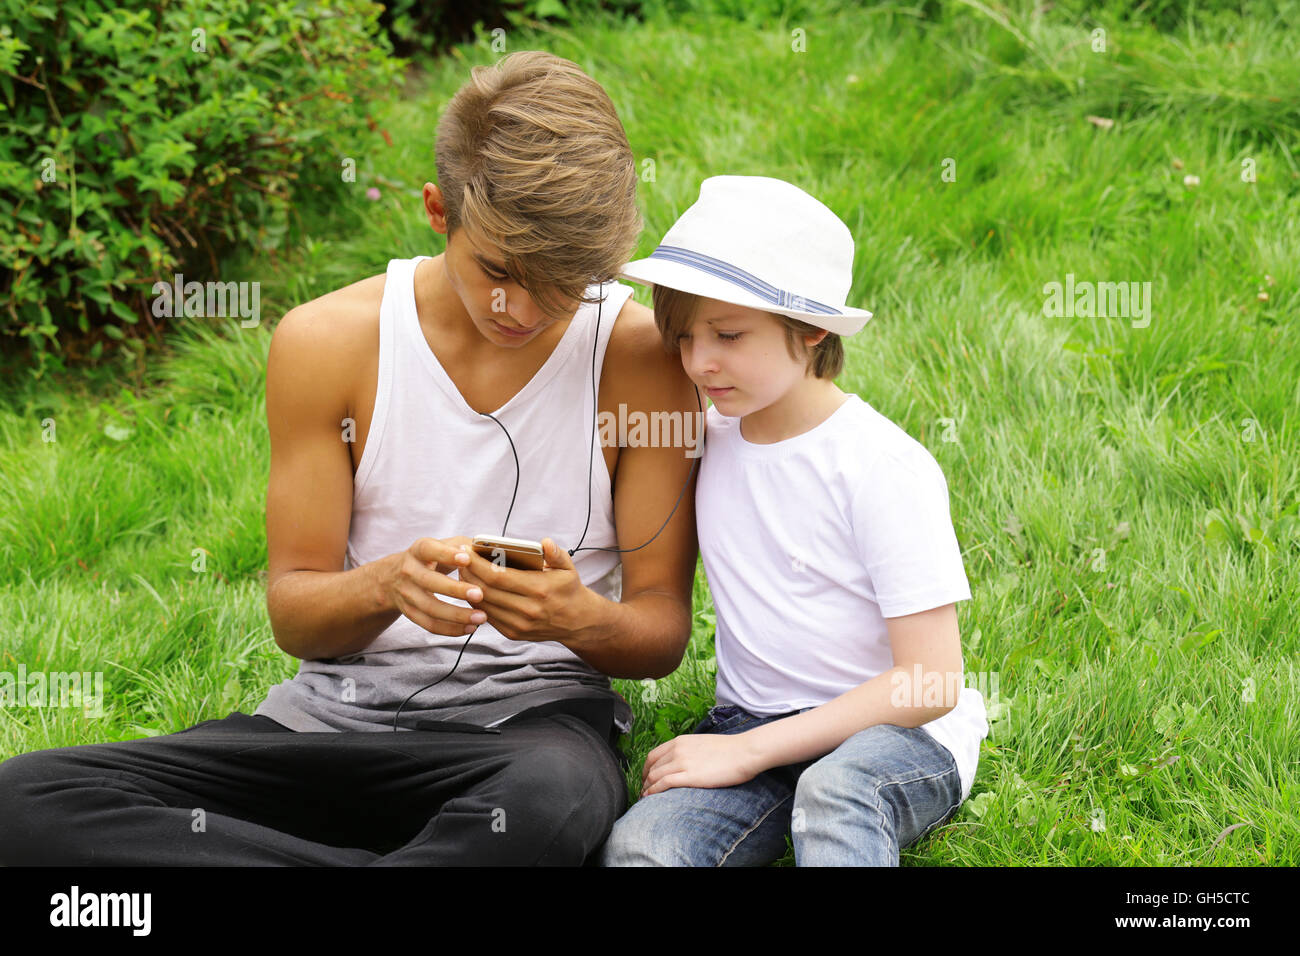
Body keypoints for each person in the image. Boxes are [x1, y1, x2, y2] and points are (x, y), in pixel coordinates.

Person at [0, 51, 700, 867]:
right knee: (24, 801)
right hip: (325, 730)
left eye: (568, 284)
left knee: (549, 807)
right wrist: (387, 584)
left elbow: (660, 632)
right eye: (502, 272)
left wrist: (578, 618)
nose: (530, 309)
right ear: (438, 211)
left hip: (525, 739)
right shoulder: (327, 342)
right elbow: (295, 613)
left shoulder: (642, 355)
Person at [598, 175, 989, 867]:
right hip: (754, 723)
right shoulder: (703, 442)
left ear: (811, 329)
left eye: (728, 334)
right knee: (644, 847)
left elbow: (932, 681)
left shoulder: (881, 465)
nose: (699, 361)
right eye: (684, 337)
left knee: (833, 793)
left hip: (894, 733)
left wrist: (748, 751)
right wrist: (746, 743)